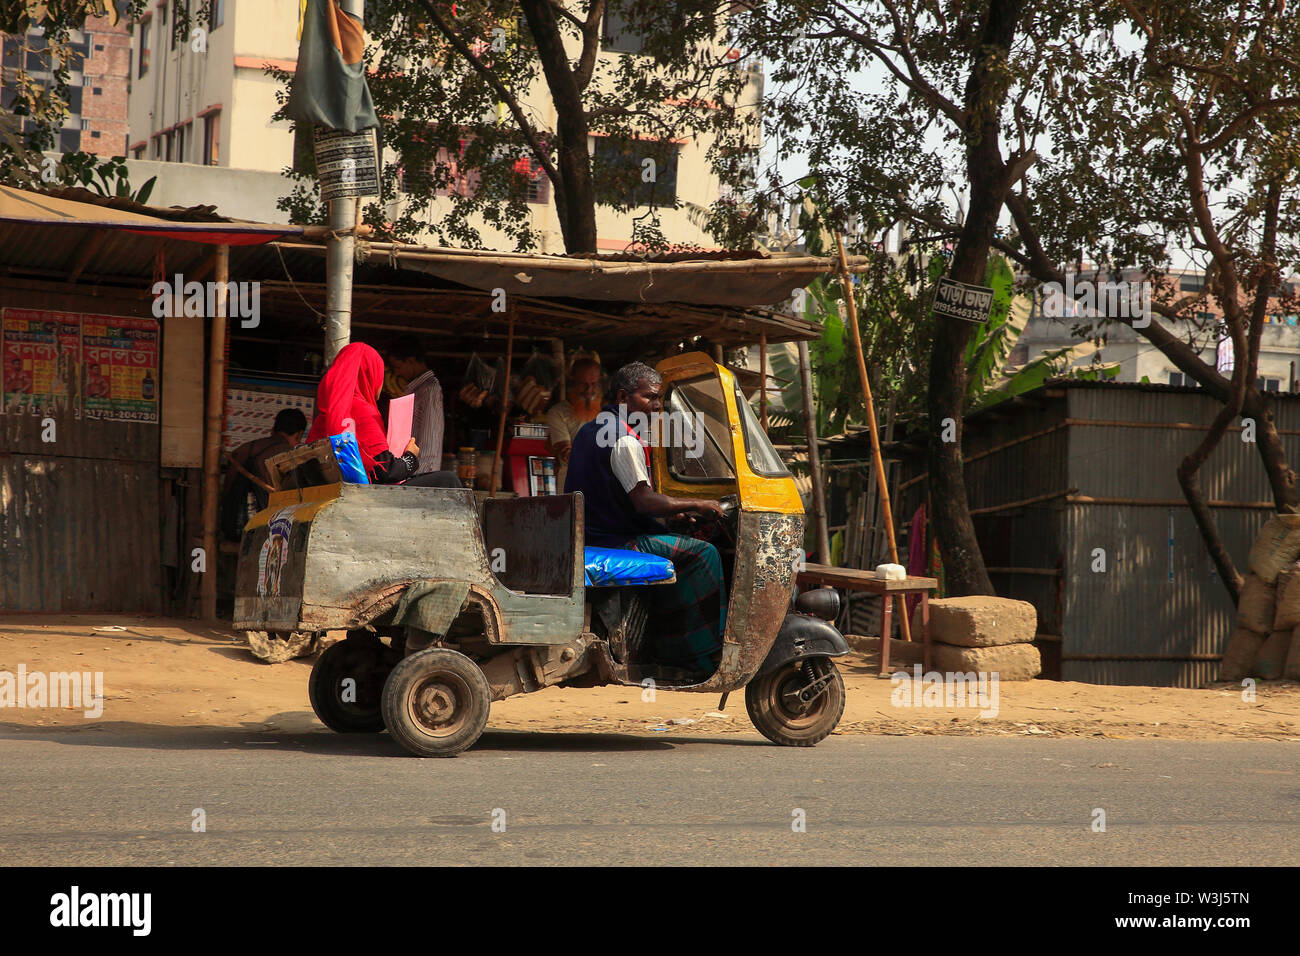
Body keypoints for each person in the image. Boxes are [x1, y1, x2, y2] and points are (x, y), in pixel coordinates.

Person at [564, 361, 727, 672]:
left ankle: (668, 640)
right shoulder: (624, 439)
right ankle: (695, 653)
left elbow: (619, 499)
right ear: (624, 398)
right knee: (705, 554)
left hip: (592, 535)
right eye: (649, 398)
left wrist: (674, 514)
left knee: (681, 544)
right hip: (617, 542)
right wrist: (696, 505)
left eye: (658, 399)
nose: (655, 406)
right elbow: (644, 502)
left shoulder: (590, 430)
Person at [305, 342, 461, 487]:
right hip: (367, 498)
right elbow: (386, 471)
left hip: (336, 491)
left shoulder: (324, 417)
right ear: (370, 375)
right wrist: (411, 456)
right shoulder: (362, 411)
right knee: (449, 479)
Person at [220, 407, 307, 541]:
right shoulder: (289, 456)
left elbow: (226, 491)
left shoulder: (243, 449)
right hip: (266, 531)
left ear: (273, 429)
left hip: (231, 526)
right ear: (298, 435)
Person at [385, 336, 446, 477]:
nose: (398, 373)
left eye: (398, 367)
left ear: (411, 361)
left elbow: (430, 438)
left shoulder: (430, 389)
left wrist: (420, 474)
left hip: (421, 472)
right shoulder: (416, 390)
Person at [546, 355, 602, 490]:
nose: (589, 390)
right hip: (573, 486)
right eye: (584, 384)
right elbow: (567, 454)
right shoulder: (557, 413)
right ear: (573, 383)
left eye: (593, 384)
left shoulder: (605, 413)